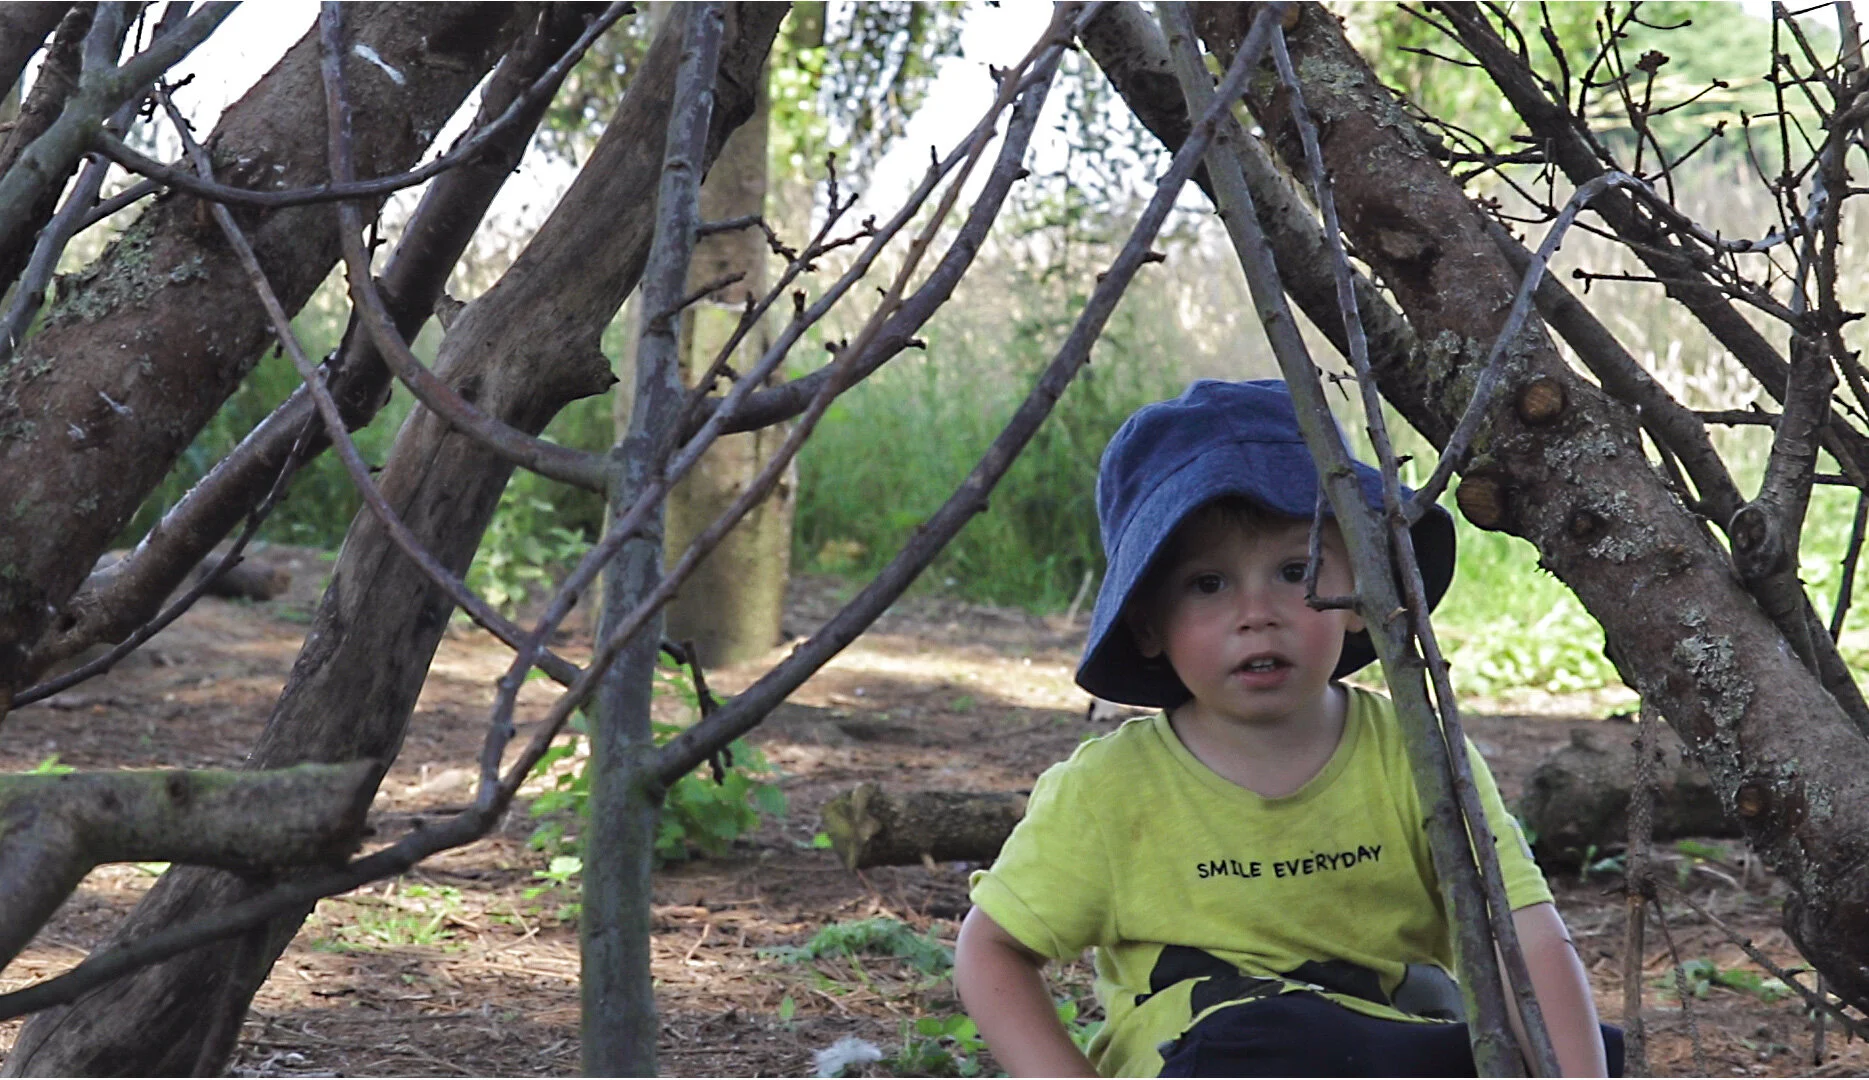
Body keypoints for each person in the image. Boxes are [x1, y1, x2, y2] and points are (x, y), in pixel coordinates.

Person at [953, 380, 1620, 1077]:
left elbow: (1521, 930)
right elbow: (991, 948)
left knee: (1580, 1046)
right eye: (1208, 584)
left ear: (1360, 590)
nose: (1257, 613)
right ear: (1147, 624)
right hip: (1225, 1056)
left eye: (1295, 571)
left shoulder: (1415, 753)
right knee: (1259, 1041)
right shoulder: (1109, 790)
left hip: (1389, 1051)